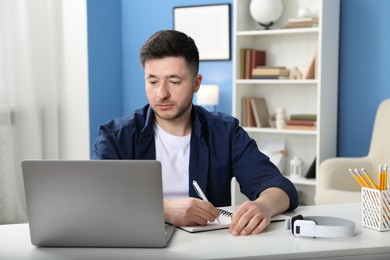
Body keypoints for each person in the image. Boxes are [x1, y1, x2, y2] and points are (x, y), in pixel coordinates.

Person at [92, 30, 298, 236]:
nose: (161, 93)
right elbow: (97, 199)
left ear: (196, 83)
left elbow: (279, 187)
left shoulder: (225, 132)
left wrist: (263, 206)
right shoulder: (115, 136)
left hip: (206, 246)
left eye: (174, 81)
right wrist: (164, 210)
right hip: (135, 243)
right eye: (153, 81)